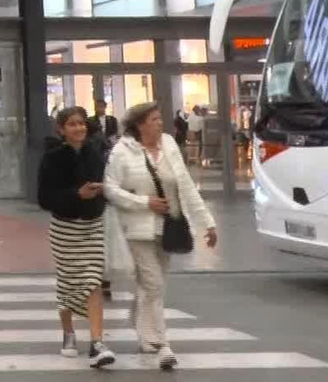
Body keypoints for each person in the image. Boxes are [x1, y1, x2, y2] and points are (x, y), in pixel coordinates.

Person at [104, 102, 218, 371]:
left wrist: (207, 223)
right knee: (153, 284)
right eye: (154, 119)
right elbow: (110, 188)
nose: (160, 124)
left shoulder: (169, 144)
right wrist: (144, 202)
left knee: (150, 284)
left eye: (159, 119)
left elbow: (186, 185)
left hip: (169, 226)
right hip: (137, 228)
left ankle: (143, 332)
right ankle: (162, 343)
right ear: (140, 124)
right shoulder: (123, 151)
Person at [37, 106, 116, 369]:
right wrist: (76, 195)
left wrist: (102, 192)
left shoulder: (95, 153)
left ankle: (97, 342)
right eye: (72, 124)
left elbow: (108, 183)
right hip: (65, 227)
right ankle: (69, 332)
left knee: (94, 279)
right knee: (69, 282)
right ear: (61, 129)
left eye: (81, 123)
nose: (78, 128)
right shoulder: (52, 158)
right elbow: (44, 198)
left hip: (92, 224)